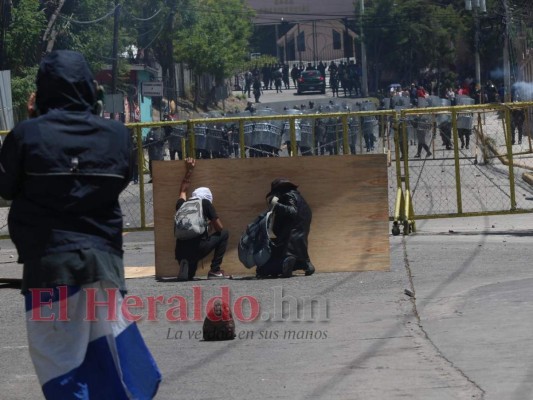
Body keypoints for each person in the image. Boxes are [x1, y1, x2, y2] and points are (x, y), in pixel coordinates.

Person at [0, 50, 161, 399]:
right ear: (91, 89)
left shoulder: (26, 135)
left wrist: (34, 119)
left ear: (42, 91)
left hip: (48, 269)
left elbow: (6, 187)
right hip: (103, 264)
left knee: (62, 366)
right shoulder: (117, 135)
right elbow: (122, 177)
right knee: (106, 361)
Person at [175, 158, 231, 280]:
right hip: (198, 247)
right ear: (208, 197)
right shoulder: (205, 203)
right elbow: (219, 228)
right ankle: (215, 270)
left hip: (179, 251)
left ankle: (185, 263)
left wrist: (189, 170)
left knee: (190, 275)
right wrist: (208, 223)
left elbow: (183, 190)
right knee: (224, 233)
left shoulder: (182, 205)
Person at [256, 178, 315, 278]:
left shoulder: (288, 195)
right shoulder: (298, 196)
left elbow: (292, 211)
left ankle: (285, 265)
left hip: (293, 230)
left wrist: (275, 204)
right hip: (299, 228)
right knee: (299, 250)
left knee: (286, 251)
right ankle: (306, 265)